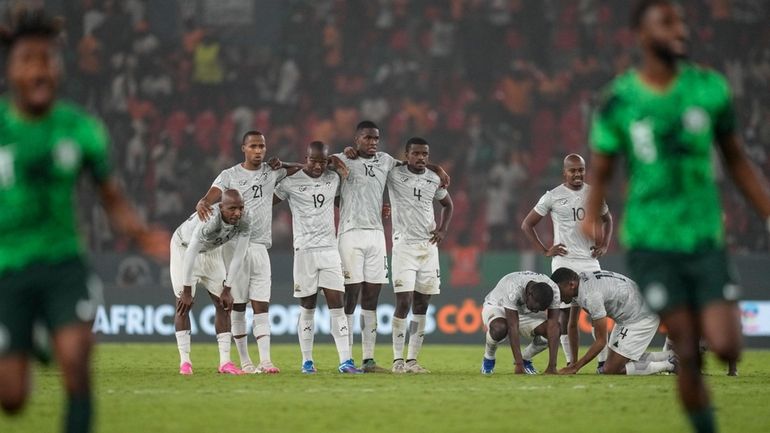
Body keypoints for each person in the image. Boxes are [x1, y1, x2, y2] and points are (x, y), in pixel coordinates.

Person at [582, 1, 770, 431]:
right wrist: (591, 215)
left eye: (681, 21)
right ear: (642, 35)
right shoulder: (618, 100)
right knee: (686, 349)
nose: (679, 29)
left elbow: (738, 161)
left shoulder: (710, 89)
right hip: (651, 239)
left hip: (704, 235)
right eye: (667, 22)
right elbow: (604, 168)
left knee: (726, 346)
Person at [0, 9, 166, 433]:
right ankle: (35, 337)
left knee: (76, 359)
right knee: (12, 399)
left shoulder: (81, 129)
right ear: (11, 70)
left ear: (59, 68)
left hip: (63, 264)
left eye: (47, 59)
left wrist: (141, 234)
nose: (39, 68)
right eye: (28, 59)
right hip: (8, 270)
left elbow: (109, 196)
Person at [336, 121, 449, 372]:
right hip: (356, 234)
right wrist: (341, 156)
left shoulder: (387, 162)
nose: (373, 142)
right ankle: (347, 358)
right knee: (352, 295)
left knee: (372, 298)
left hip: (380, 236)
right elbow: (321, 162)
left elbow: (414, 165)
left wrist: (437, 168)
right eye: (367, 138)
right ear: (357, 139)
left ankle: (370, 360)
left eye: (376, 138)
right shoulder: (345, 158)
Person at [195, 130, 288, 374]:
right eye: (254, 146)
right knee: (237, 306)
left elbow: (305, 169)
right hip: (233, 247)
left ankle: (266, 361)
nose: (259, 151)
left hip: (260, 246)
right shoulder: (230, 175)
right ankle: (245, 361)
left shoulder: (272, 172)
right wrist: (203, 201)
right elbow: (211, 196)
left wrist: (285, 163)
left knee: (262, 305)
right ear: (243, 148)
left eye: (262, 146)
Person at [273, 141, 360, 374]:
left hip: (330, 251)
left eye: (323, 161)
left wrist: (335, 160)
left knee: (337, 307)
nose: (319, 166)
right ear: (306, 158)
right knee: (307, 308)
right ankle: (307, 361)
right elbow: (268, 200)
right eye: (314, 160)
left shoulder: (333, 179)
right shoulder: (290, 182)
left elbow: (345, 173)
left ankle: (346, 360)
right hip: (304, 252)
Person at [521, 153, 613, 369]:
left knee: (596, 311)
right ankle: (571, 361)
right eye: (573, 170)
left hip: (590, 262)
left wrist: (605, 245)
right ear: (565, 172)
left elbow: (608, 219)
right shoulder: (552, 196)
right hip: (564, 263)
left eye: (581, 169)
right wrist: (545, 250)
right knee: (564, 316)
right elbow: (527, 224)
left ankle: (602, 363)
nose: (577, 174)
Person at [387, 137, 453, 374]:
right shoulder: (393, 174)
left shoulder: (433, 179)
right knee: (403, 301)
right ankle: (397, 360)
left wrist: (443, 229)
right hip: (404, 246)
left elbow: (448, 205)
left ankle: (412, 360)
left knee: (422, 303)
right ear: (406, 155)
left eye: (425, 154)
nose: (421, 158)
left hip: (428, 247)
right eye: (415, 153)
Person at [171, 189, 250, 376]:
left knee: (223, 304)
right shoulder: (210, 221)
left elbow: (239, 256)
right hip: (184, 249)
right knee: (183, 305)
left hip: (212, 252)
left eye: (240, 208)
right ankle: (185, 362)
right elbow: (191, 253)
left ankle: (225, 362)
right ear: (221, 208)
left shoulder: (245, 220)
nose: (237, 213)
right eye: (232, 209)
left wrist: (227, 288)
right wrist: (188, 290)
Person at [551, 268, 676, 375]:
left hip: (641, 314)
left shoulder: (591, 296)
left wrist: (576, 366)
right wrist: (573, 363)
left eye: (559, 291)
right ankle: (670, 355)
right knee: (617, 361)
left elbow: (601, 341)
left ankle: (671, 365)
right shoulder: (578, 285)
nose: (559, 297)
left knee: (611, 369)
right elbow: (572, 325)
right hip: (628, 314)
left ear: (571, 284)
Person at [479, 272, 562, 375]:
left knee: (554, 329)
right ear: (529, 294)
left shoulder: (554, 290)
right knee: (500, 328)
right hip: (498, 306)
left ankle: (525, 358)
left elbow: (553, 325)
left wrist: (552, 366)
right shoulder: (513, 287)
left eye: (540, 309)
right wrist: (519, 364)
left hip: (524, 312)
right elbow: (512, 326)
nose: (536, 311)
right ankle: (489, 357)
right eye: (535, 308)